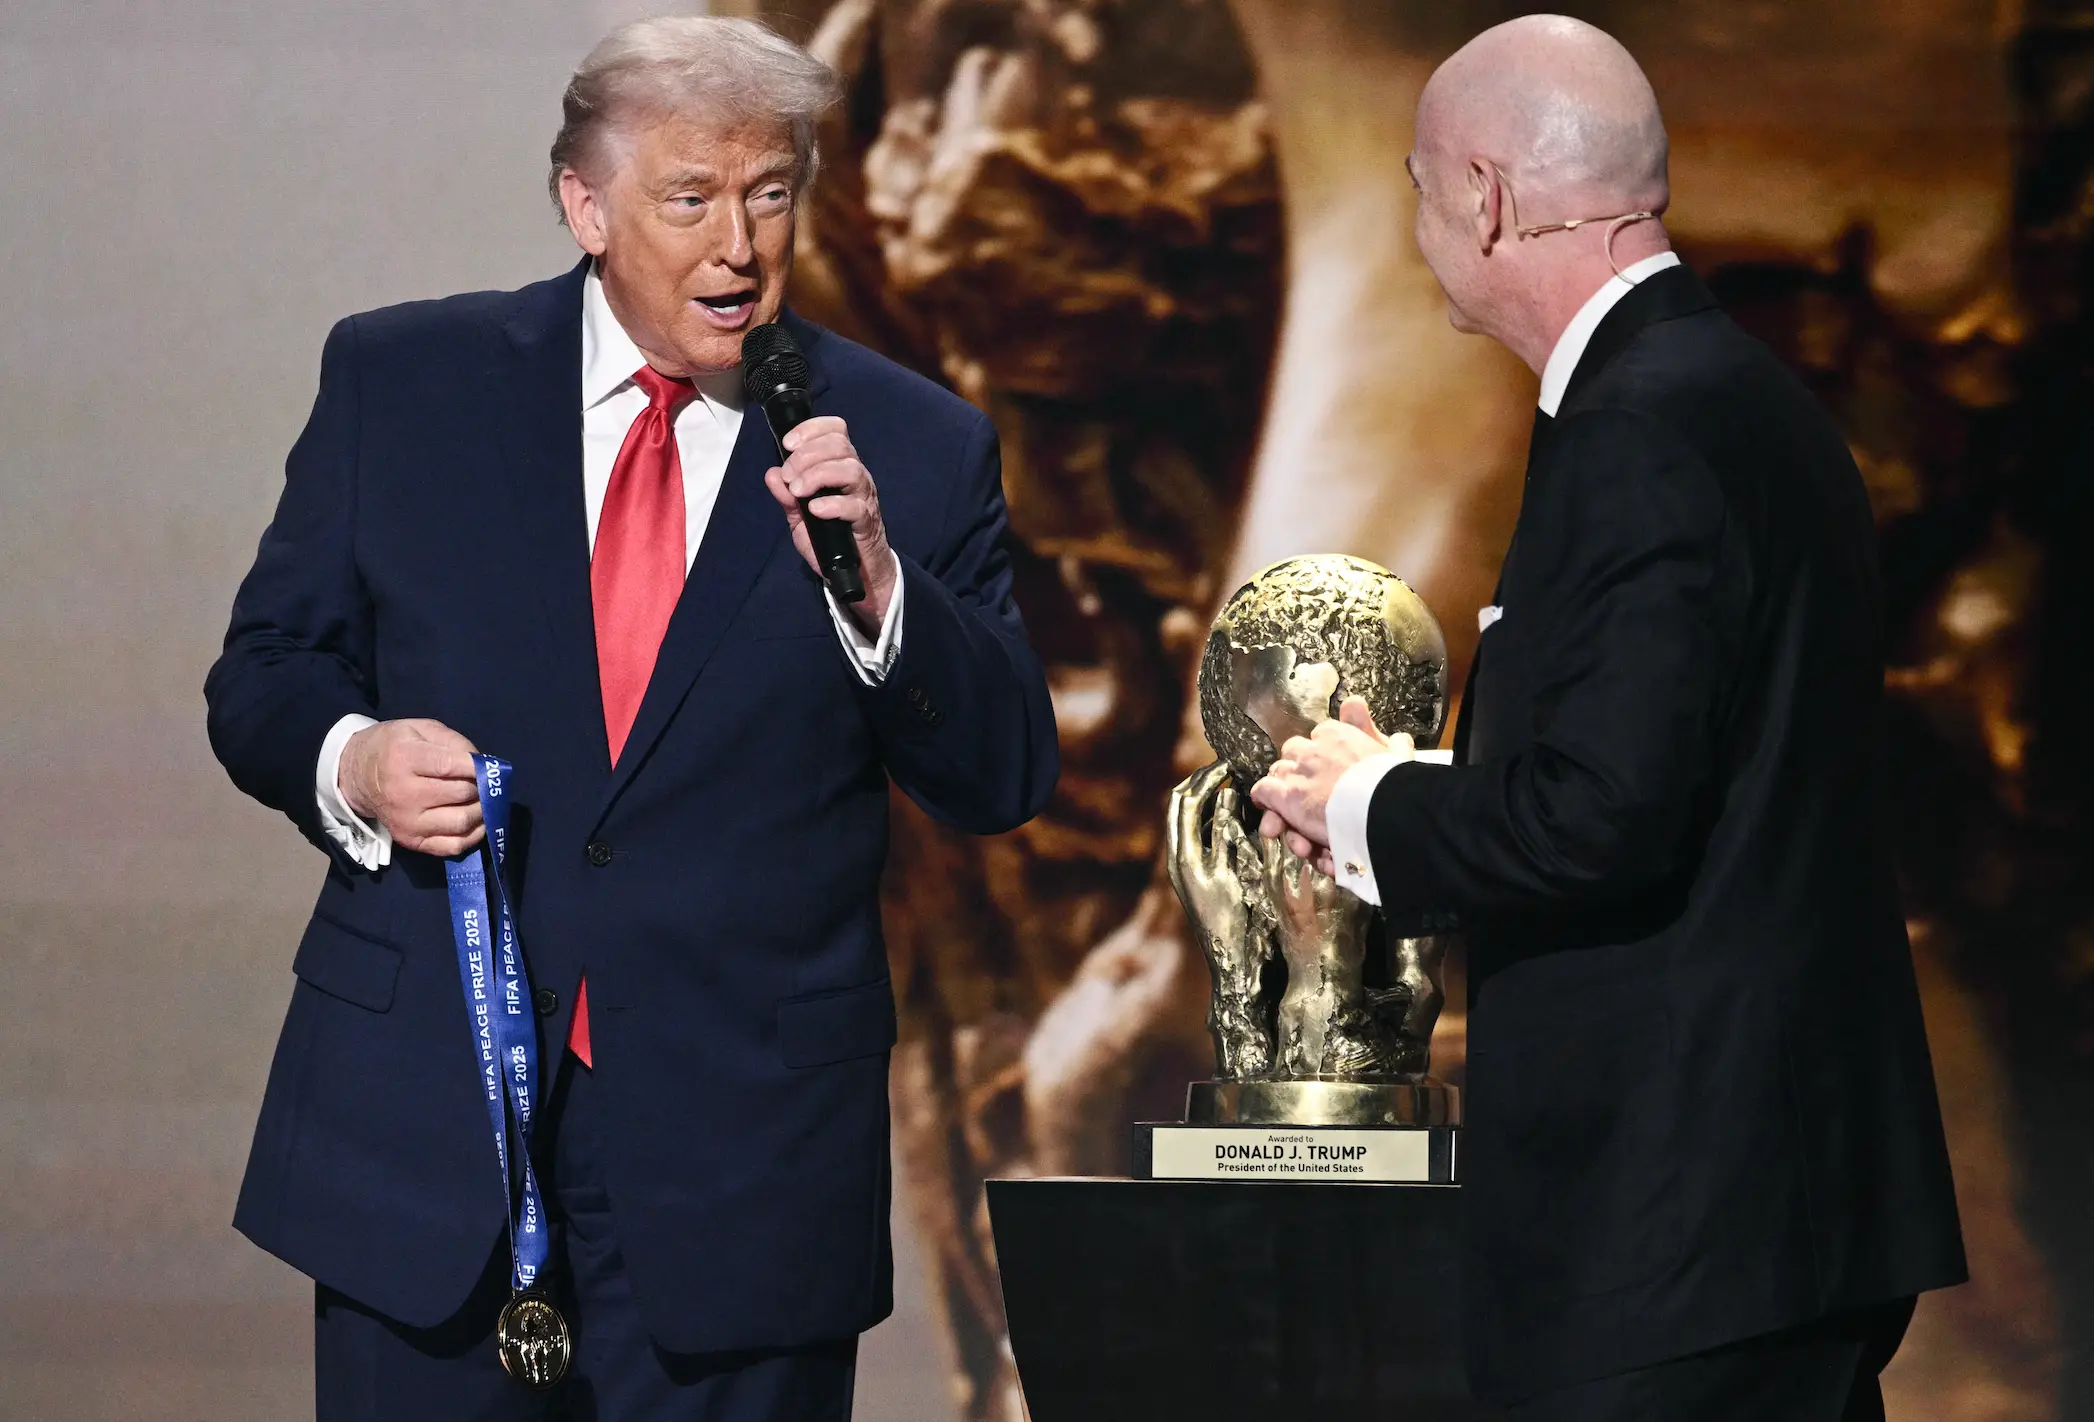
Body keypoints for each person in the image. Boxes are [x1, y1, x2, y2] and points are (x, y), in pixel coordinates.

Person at [204, 16, 1056, 1420]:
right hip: (425, 1144)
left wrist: (883, 592)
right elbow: (265, 670)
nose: (739, 245)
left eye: (771, 194)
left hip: (745, 1171)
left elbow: (1001, 771)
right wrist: (348, 758)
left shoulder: (909, 443)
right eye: (690, 198)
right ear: (583, 204)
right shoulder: (403, 384)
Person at [1249, 15, 1966, 1420]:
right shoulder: (1744, 401)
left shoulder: (1646, 422)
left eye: (1414, 185)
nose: (1415, 224)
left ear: (1485, 196)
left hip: (1677, 1227)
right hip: (1762, 1219)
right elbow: (1693, 765)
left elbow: (1603, 814)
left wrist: (1367, 801)